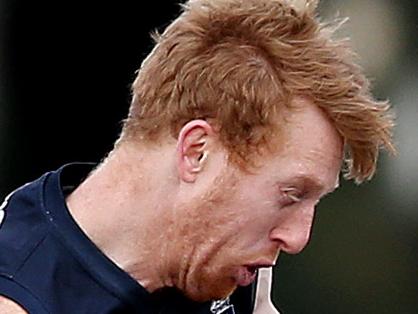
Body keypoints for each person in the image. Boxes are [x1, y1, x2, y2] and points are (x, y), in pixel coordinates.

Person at [0, 0, 395, 313]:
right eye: (291, 194)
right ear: (196, 152)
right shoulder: (19, 292)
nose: (296, 238)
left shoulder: (230, 269)